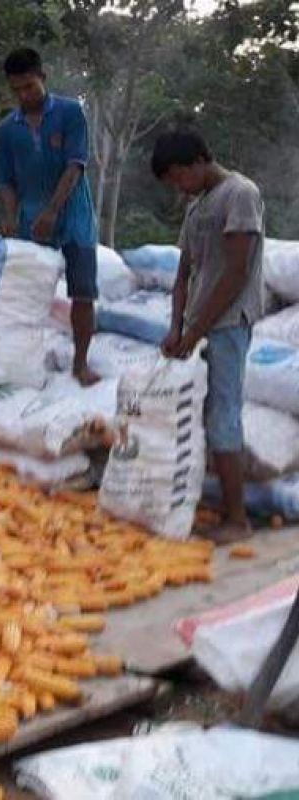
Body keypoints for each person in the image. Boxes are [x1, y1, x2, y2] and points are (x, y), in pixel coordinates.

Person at [153, 129, 266, 544]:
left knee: (222, 415)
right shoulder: (196, 206)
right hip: (200, 326)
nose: (179, 187)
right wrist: (176, 326)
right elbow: (184, 274)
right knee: (197, 417)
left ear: (199, 161)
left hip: (228, 324)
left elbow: (237, 270)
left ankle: (238, 519)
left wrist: (197, 328)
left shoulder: (240, 194)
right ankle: (212, 504)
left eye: (180, 177)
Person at [0, 48, 101, 385]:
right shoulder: (6, 131)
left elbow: (75, 165)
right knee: (25, 296)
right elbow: (6, 181)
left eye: (29, 86)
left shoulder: (71, 113)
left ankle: (80, 364)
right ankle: (23, 364)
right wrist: (11, 217)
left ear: (43, 77)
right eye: (17, 90)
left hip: (74, 218)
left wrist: (53, 211)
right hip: (29, 221)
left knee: (83, 293)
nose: (24, 95)